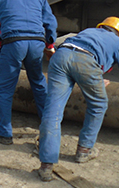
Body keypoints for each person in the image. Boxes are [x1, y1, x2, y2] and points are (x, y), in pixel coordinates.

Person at [37, 17, 119, 181]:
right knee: (98, 105)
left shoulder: (88, 31)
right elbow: (86, 61)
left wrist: (95, 78)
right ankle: (84, 150)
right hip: (86, 61)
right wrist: (93, 79)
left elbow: (75, 54)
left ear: (102, 26)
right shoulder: (116, 41)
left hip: (61, 56)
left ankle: (46, 166)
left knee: (53, 111)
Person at [0, 0, 58, 145]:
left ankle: (5, 133)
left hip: (13, 43)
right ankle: (48, 127)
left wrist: (1, 42)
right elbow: (50, 22)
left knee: (3, 87)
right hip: (37, 44)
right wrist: (50, 44)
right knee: (38, 82)